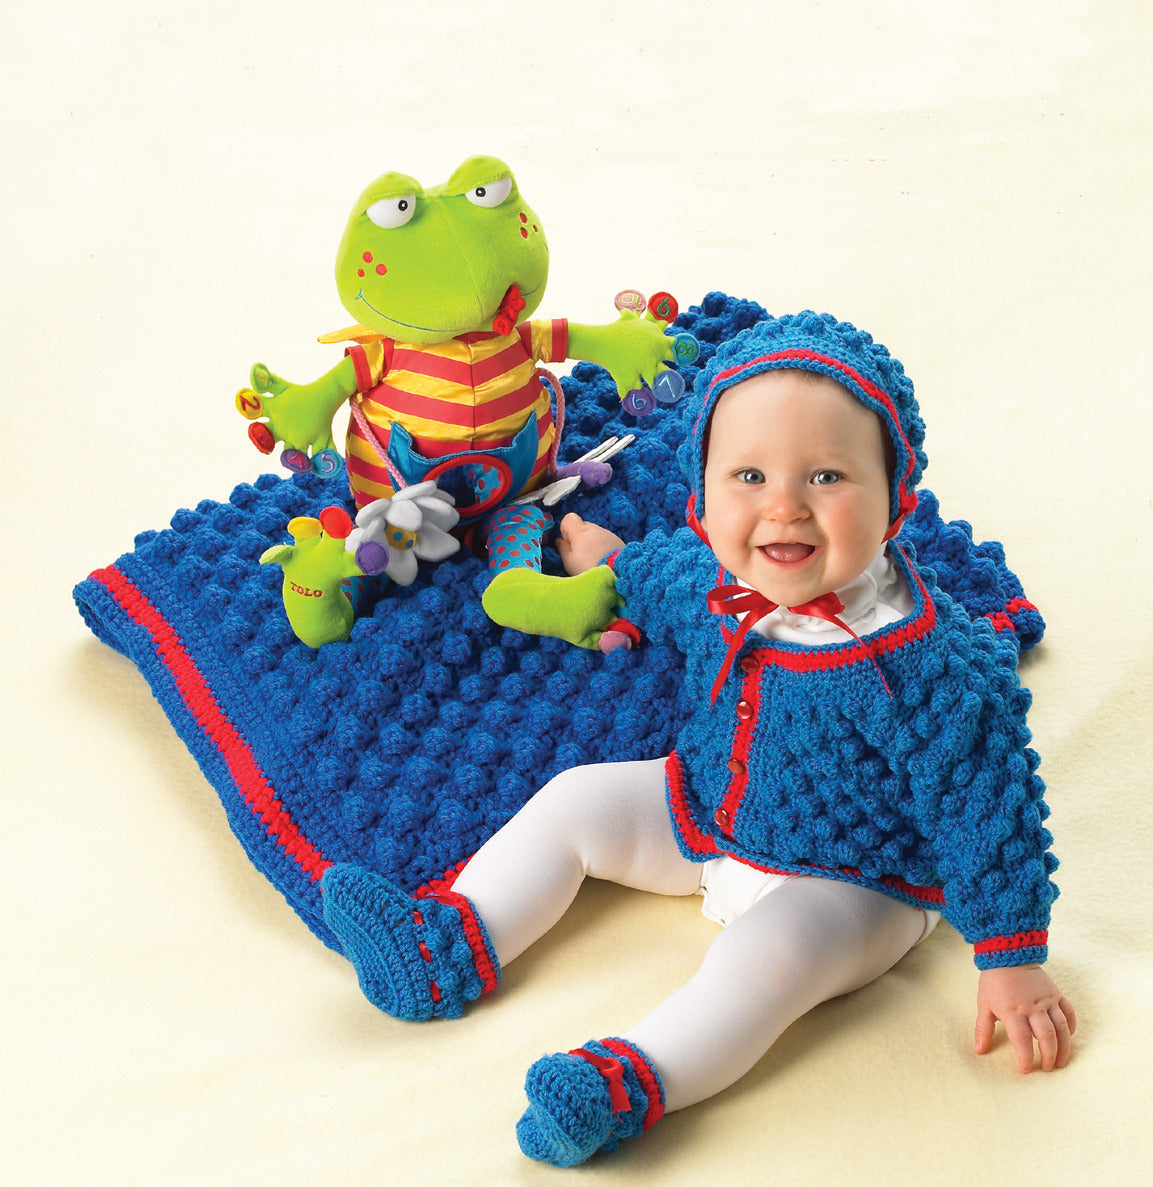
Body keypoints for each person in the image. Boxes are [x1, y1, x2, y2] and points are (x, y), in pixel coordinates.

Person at [320, 311, 1076, 1167]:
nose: (783, 505)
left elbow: (989, 808)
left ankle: (626, 1082)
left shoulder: (931, 664)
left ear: (896, 496)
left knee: (766, 959)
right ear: (704, 496)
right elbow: (657, 576)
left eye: (827, 475)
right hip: (703, 805)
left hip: (858, 879)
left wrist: (1011, 954)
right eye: (747, 475)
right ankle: (445, 944)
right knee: (579, 800)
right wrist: (608, 557)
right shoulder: (713, 577)